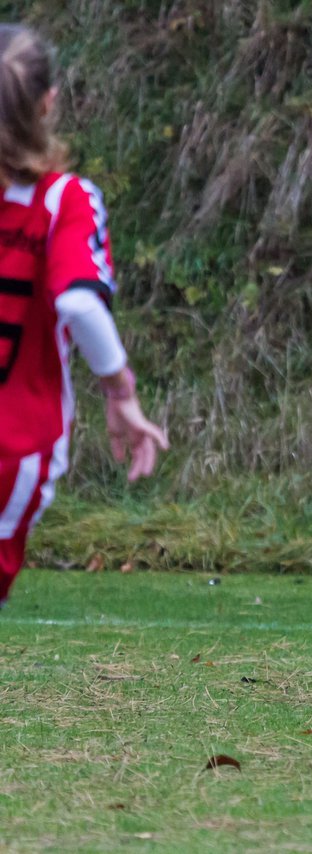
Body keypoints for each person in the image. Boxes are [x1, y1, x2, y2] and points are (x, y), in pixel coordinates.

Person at [0, 24, 168, 607]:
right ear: (48, 102)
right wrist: (120, 390)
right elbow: (75, 300)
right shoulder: (62, 200)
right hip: (14, 443)